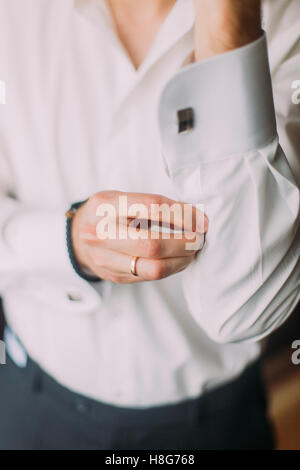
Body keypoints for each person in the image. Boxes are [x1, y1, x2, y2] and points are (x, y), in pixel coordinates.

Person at [0, 0, 299, 450]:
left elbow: (246, 307)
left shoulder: (287, 22)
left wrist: (228, 33)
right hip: (32, 400)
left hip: (208, 425)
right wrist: (68, 243)